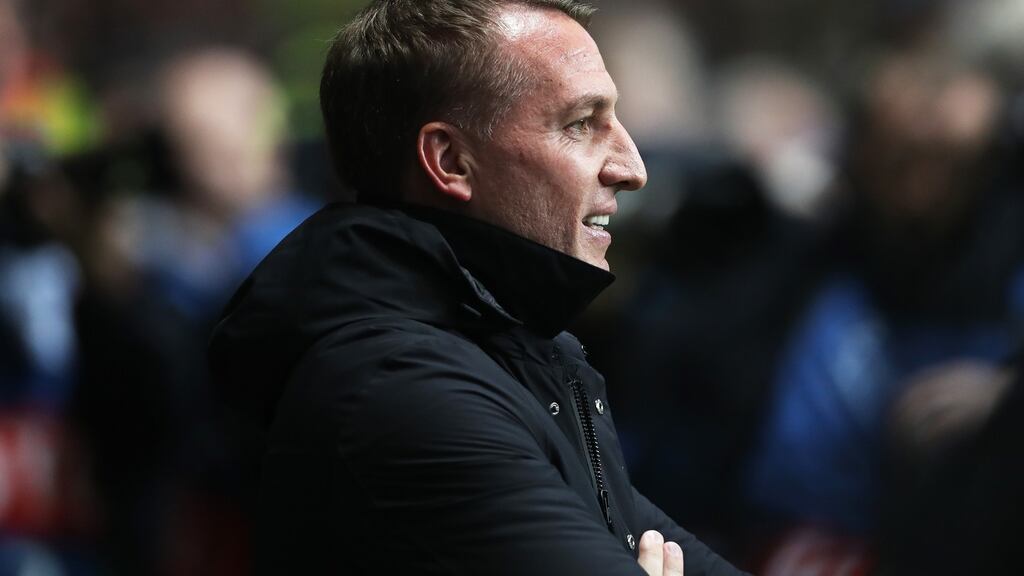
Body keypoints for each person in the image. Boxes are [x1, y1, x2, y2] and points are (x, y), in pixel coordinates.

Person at [208, 1, 747, 574]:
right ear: (449, 160)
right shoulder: (400, 388)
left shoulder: (516, 354)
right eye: (580, 124)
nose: (632, 167)